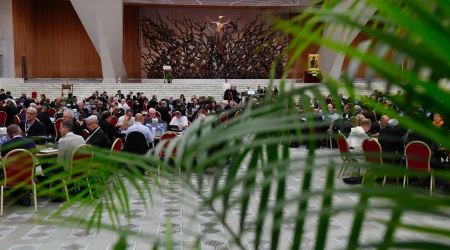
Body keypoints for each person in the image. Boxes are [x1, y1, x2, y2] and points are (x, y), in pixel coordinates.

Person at [0, 124, 37, 206]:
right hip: (27, 176)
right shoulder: (31, 143)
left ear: (8, 135)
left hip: (10, 177)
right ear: (20, 132)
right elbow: (34, 159)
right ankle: (23, 195)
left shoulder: (5, 145)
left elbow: (3, 161)